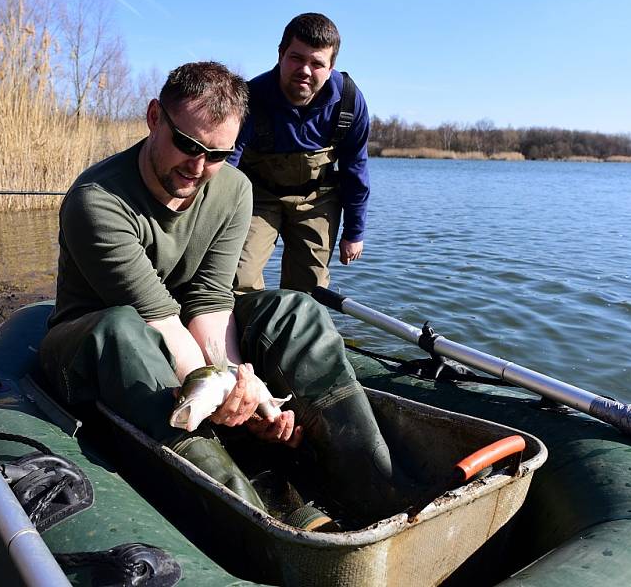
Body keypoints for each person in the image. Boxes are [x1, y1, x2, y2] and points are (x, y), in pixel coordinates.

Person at [39, 61, 408, 522]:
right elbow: (157, 320)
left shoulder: (235, 189)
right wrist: (231, 393)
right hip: (94, 347)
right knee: (124, 329)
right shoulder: (96, 200)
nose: (197, 167)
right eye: (187, 145)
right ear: (155, 117)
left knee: (294, 309)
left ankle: (377, 491)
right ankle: (261, 521)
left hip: (178, 335)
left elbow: (211, 303)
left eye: (216, 154)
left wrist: (245, 389)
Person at [230, 12, 371, 293]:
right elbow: (227, 167)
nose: (305, 70)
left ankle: (296, 333)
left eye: (317, 63)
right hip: (259, 197)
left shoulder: (350, 102)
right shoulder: (251, 97)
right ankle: (244, 330)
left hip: (317, 198)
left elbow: (355, 169)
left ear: (331, 67)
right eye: (297, 58)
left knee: (310, 288)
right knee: (237, 276)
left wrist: (354, 232)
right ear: (281, 54)